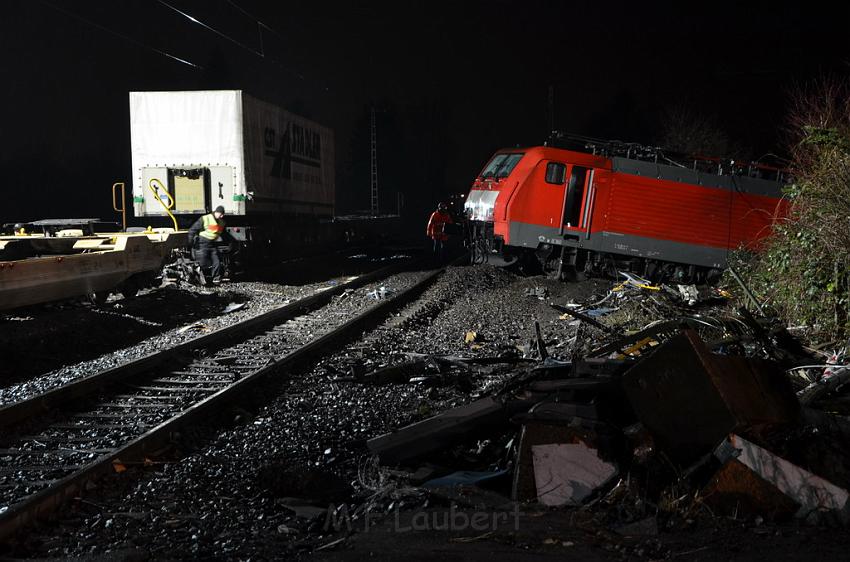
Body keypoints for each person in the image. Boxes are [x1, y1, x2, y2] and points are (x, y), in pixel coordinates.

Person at [187, 205, 233, 284]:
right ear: (216, 212)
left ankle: (216, 278)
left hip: (212, 244)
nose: (222, 216)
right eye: (221, 214)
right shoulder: (205, 218)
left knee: (217, 261)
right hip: (202, 242)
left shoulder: (221, 222)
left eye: (223, 214)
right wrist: (190, 242)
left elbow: (224, 234)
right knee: (202, 263)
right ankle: (195, 278)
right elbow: (192, 230)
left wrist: (230, 243)